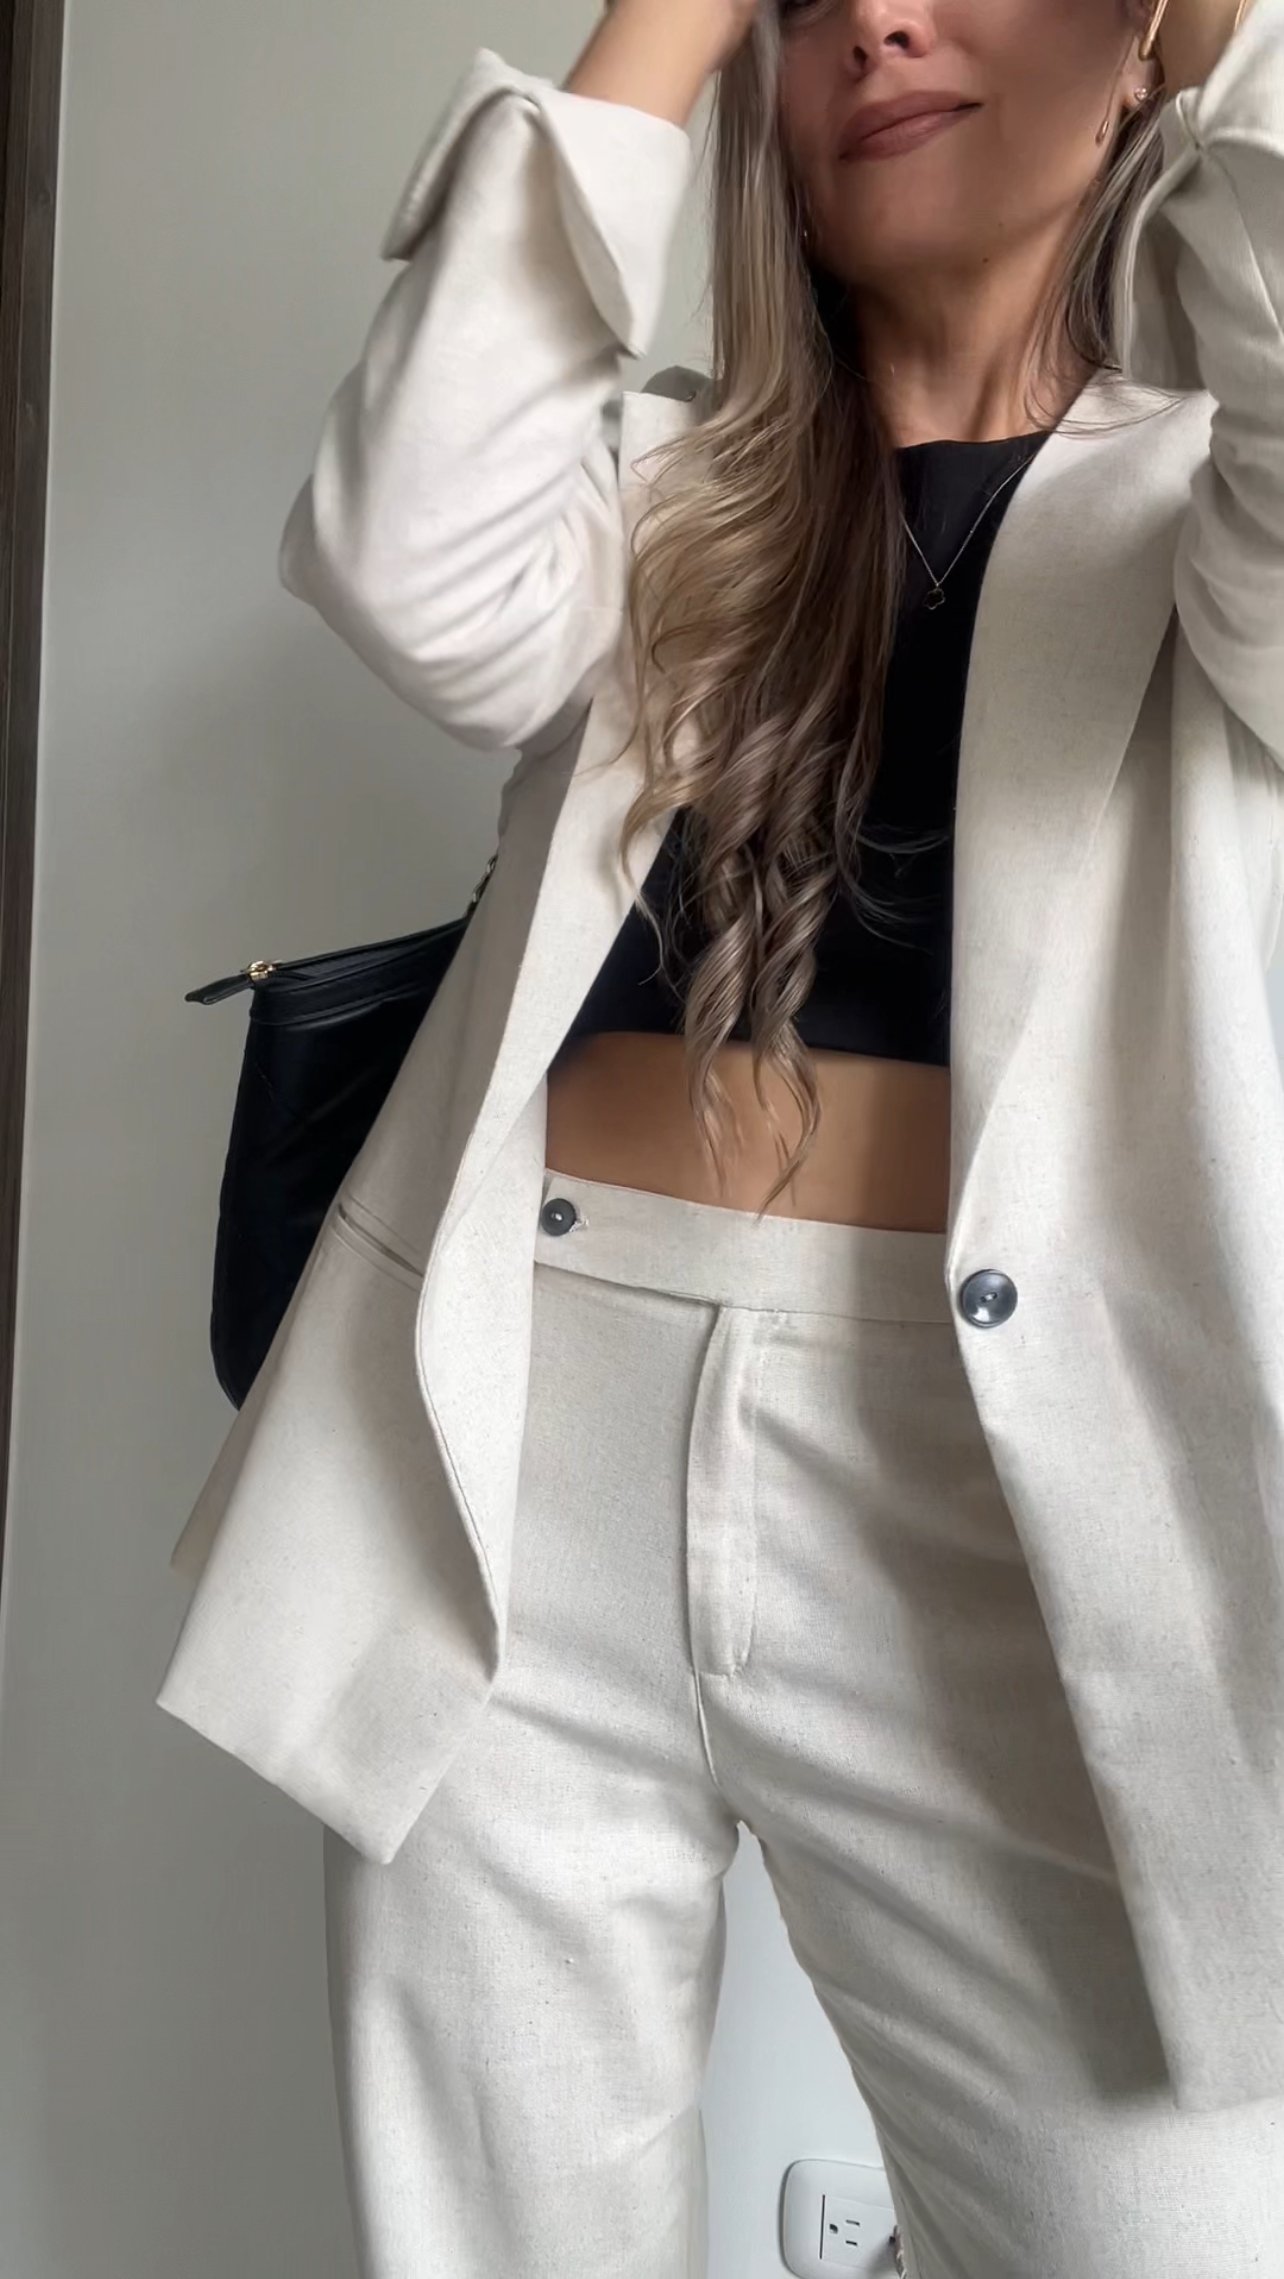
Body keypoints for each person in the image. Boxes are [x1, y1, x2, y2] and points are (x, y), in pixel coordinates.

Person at [155, 0, 1284, 2270]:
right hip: (515, 1468)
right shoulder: (663, 495)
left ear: (1142, 50)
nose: (878, 19)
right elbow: (401, 556)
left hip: (1011, 1487)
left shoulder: (1215, 517)